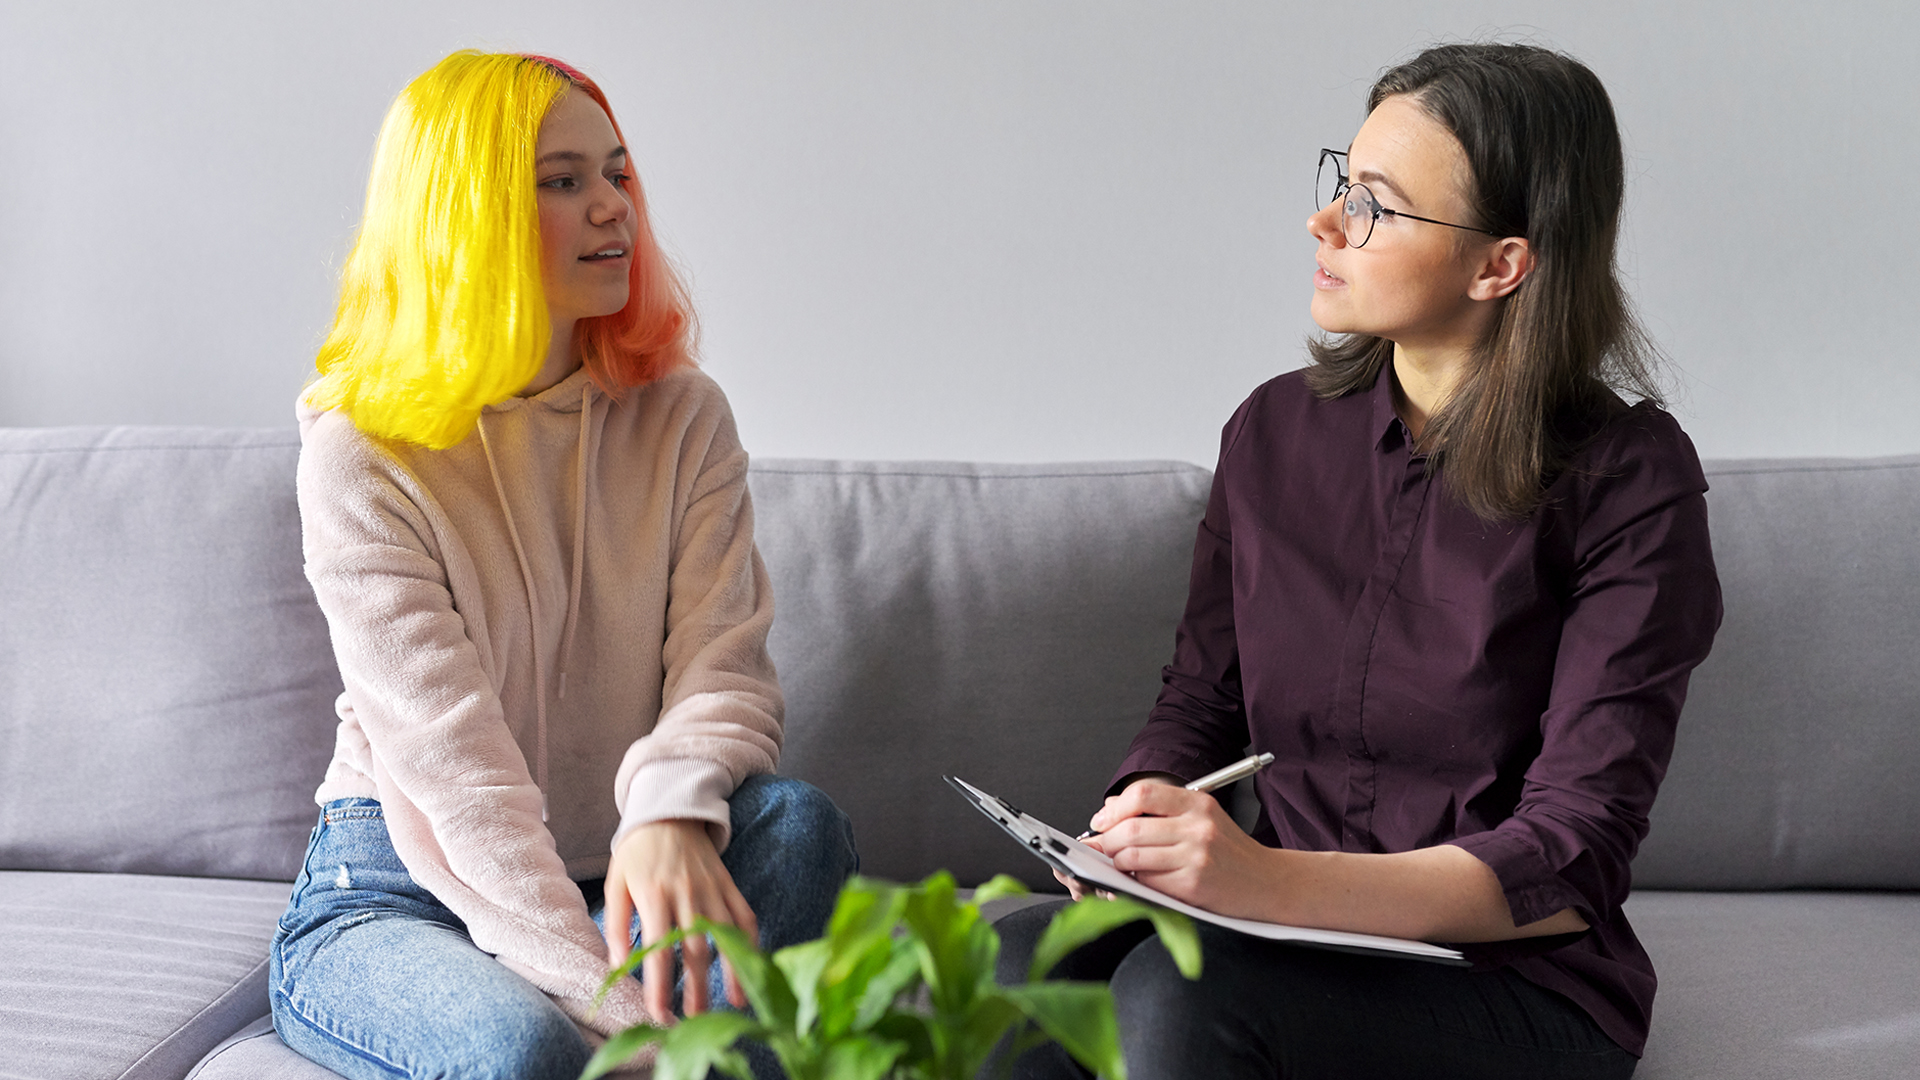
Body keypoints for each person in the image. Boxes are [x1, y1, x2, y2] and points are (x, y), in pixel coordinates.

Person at [995, 43, 1721, 1080]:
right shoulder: (1271, 433)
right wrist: (1141, 819)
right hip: (1275, 939)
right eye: (1343, 182)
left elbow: (1573, 850)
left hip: (1503, 979)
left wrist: (1262, 883)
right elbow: (1202, 700)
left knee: (1178, 996)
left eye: (1376, 204)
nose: (1325, 222)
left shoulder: (1631, 479)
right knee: (1013, 961)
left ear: (1499, 265)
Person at [270, 51, 858, 1080]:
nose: (613, 209)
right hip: (406, 886)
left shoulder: (684, 418)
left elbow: (727, 676)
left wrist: (669, 811)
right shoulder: (361, 451)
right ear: (467, 210)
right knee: (523, 1050)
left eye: (618, 174)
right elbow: (462, 789)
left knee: (799, 826)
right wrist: (625, 1022)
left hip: (626, 863)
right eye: (564, 180)